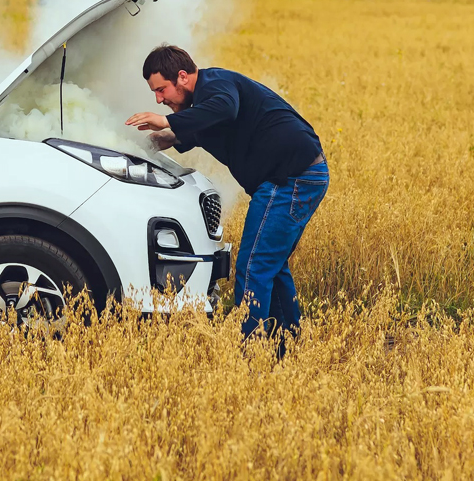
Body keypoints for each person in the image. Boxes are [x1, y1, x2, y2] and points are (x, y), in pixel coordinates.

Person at [126, 45, 328, 352]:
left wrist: (166, 121)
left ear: (182, 77)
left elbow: (223, 109)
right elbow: (183, 133)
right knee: (272, 266)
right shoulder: (199, 107)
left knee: (252, 269)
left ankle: (253, 355)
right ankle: (285, 348)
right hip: (293, 177)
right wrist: (140, 144)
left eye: (161, 89)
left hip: (290, 178)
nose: (159, 100)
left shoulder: (216, 86)